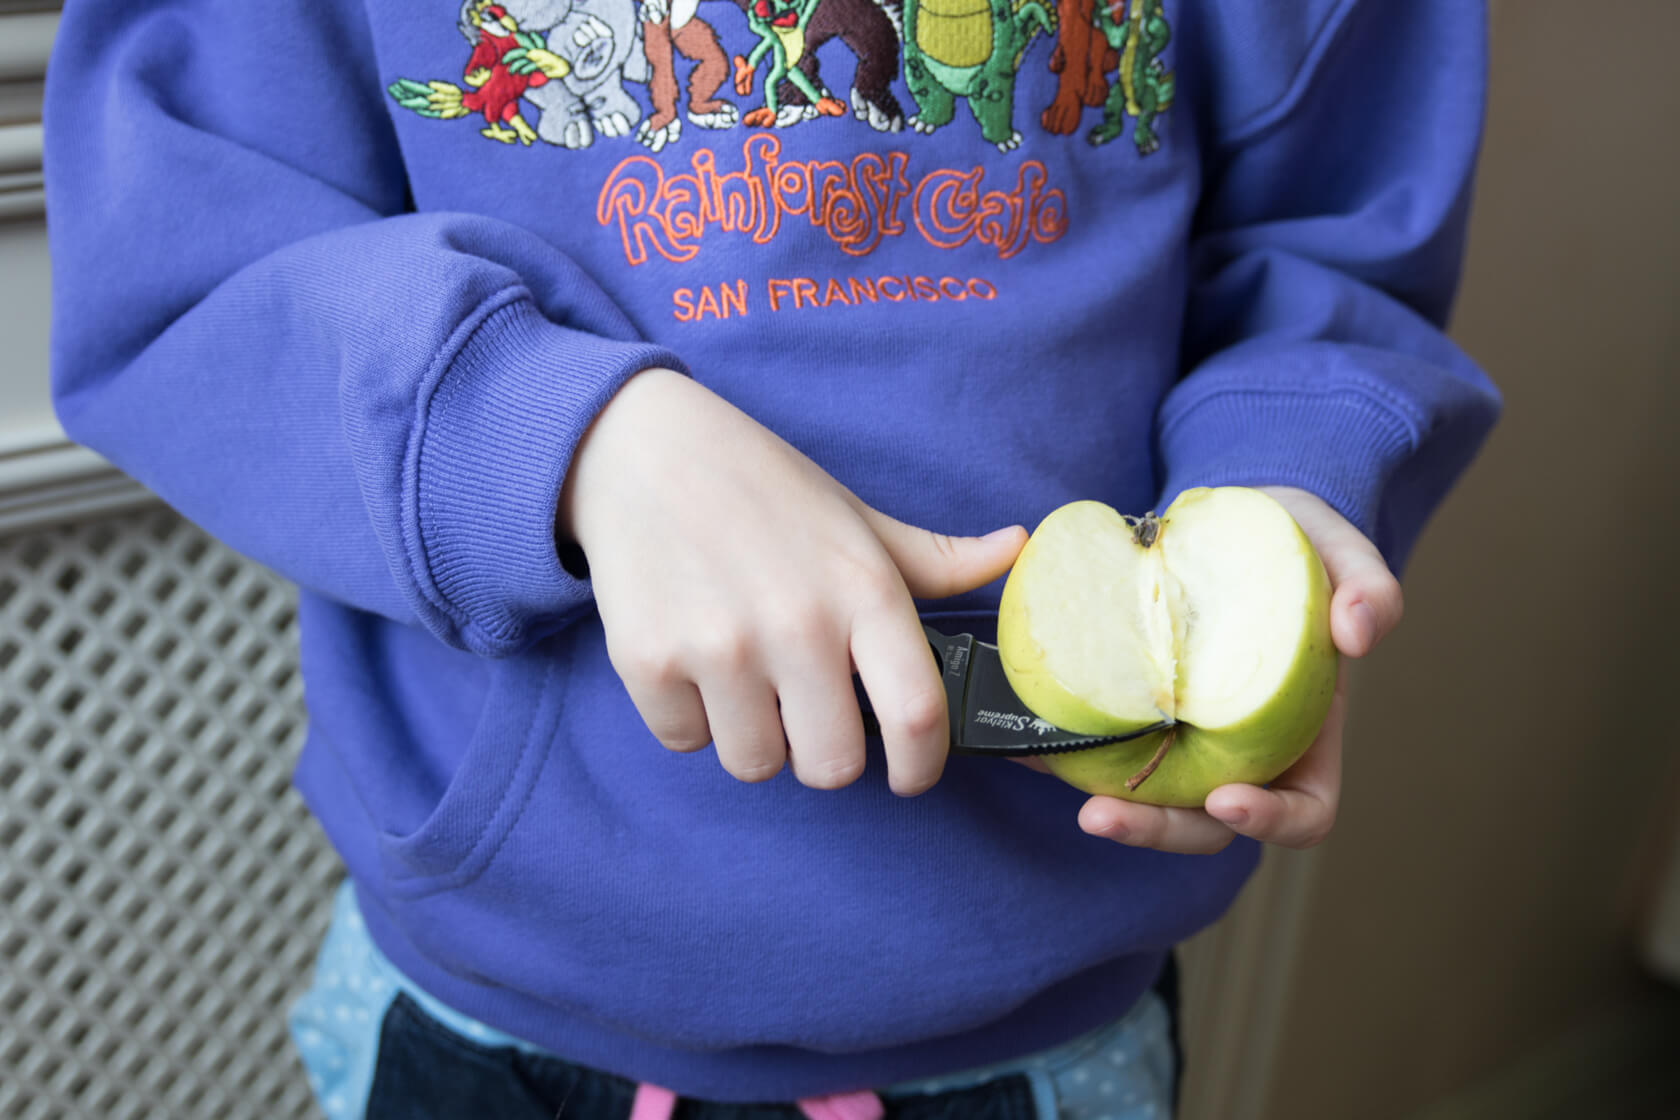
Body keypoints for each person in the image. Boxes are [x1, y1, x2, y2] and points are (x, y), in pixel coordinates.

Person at [43, 0, 1500, 1116]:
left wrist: (1278, 499)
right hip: (496, 1040)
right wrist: (569, 439)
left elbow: (1328, 242)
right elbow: (184, 259)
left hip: (1050, 1049)